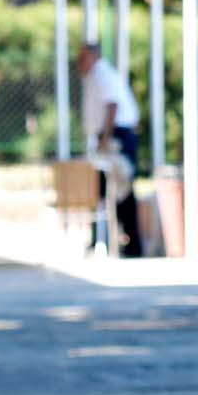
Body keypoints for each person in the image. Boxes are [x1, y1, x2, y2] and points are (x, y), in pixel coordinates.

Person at [73, 40, 142, 255]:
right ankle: (101, 238)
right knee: (100, 189)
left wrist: (106, 138)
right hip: (106, 136)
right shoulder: (95, 77)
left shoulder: (103, 75)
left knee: (122, 189)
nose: (79, 63)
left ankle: (131, 243)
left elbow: (113, 105)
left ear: (93, 57)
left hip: (115, 138)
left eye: (82, 58)